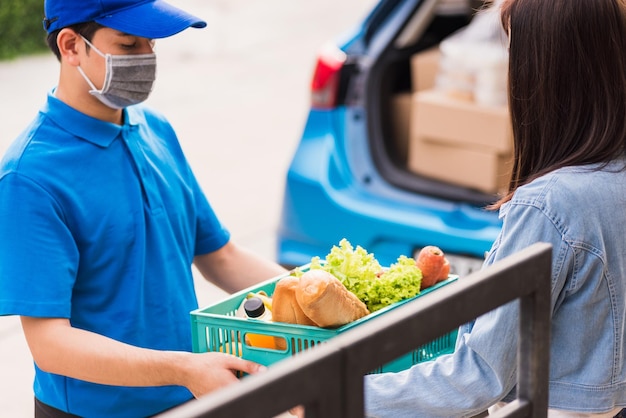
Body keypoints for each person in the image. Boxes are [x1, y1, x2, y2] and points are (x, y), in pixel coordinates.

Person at [0, 0, 287, 416]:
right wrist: (183, 368)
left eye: (150, 43)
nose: (147, 59)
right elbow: (51, 345)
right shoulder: (30, 177)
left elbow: (221, 257)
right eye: (129, 44)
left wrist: (324, 293)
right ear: (71, 46)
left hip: (192, 393)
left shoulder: (155, 130)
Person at [364, 0, 626, 416]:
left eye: (511, 54)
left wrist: (334, 394)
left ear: (544, 74)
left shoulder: (550, 204)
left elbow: (476, 379)